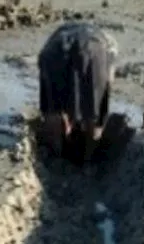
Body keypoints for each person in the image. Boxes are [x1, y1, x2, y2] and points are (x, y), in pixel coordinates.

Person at [37, 22, 130, 163]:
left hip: (54, 51)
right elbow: (107, 82)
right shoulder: (108, 45)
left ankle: (57, 159)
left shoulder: (56, 38)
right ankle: (88, 160)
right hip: (93, 51)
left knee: (53, 108)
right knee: (93, 112)